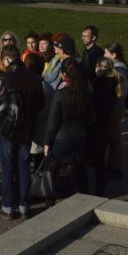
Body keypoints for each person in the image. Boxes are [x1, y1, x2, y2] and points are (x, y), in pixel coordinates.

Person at [0, 45, 44, 219]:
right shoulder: (35, 78)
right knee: (23, 167)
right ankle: (24, 206)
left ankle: (8, 206)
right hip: (27, 129)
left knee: (7, 168)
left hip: (7, 129)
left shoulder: (4, 78)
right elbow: (41, 104)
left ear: (6, 60)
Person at [36, 59, 91, 198]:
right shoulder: (84, 92)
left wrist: (47, 142)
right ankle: (83, 194)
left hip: (62, 138)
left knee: (53, 170)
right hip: (81, 136)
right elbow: (91, 117)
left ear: (63, 74)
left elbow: (53, 121)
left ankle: (53, 196)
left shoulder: (60, 94)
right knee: (79, 169)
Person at [88, 58, 121, 196]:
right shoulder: (114, 84)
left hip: (96, 128)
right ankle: (100, 191)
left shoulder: (99, 86)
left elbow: (93, 107)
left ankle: (95, 191)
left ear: (100, 68)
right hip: (105, 126)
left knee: (95, 162)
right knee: (100, 162)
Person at [103, 42, 128, 180]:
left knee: (115, 138)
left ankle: (115, 167)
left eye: (106, 53)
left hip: (116, 106)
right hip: (116, 106)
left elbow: (120, 91)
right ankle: (112, 164)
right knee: (113, 137)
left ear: (114, 55)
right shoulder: (119, 67)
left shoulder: (119, 70)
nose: (104, 55)